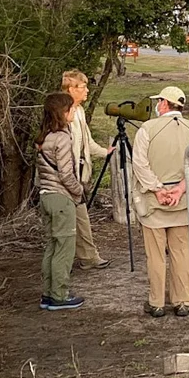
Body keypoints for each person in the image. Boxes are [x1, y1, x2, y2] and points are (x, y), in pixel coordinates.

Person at [130, 86, 189, 318]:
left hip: (153, 202)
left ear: (164, 103)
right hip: (183, 200)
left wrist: (157, 189)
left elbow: (139, 164)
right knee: (182, 251)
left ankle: (156, 302)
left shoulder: (147, 129)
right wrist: (182, 188)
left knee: (155, 254)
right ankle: (182, 300)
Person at [36, 92, 85, 311]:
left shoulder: (43, 138)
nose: (74, 112)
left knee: (52, 245)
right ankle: (60, 294)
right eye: (72, 109)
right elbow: (66, 174)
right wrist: (79, 191)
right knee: (65, 247)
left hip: (46, 195)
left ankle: (48, 292)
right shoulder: (63, 138)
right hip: (61, 198)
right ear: (63, 113)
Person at [61, 70, 113, 270]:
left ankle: (88, 256)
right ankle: (87, 257)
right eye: (82, 87)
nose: (86, 91)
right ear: (70, 89)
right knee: (77, 217)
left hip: (78, 174)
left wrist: (105, 152)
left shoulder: (80, 111)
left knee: (81, 215)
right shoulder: (63, 112)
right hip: (66, 176)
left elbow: (87, 141)